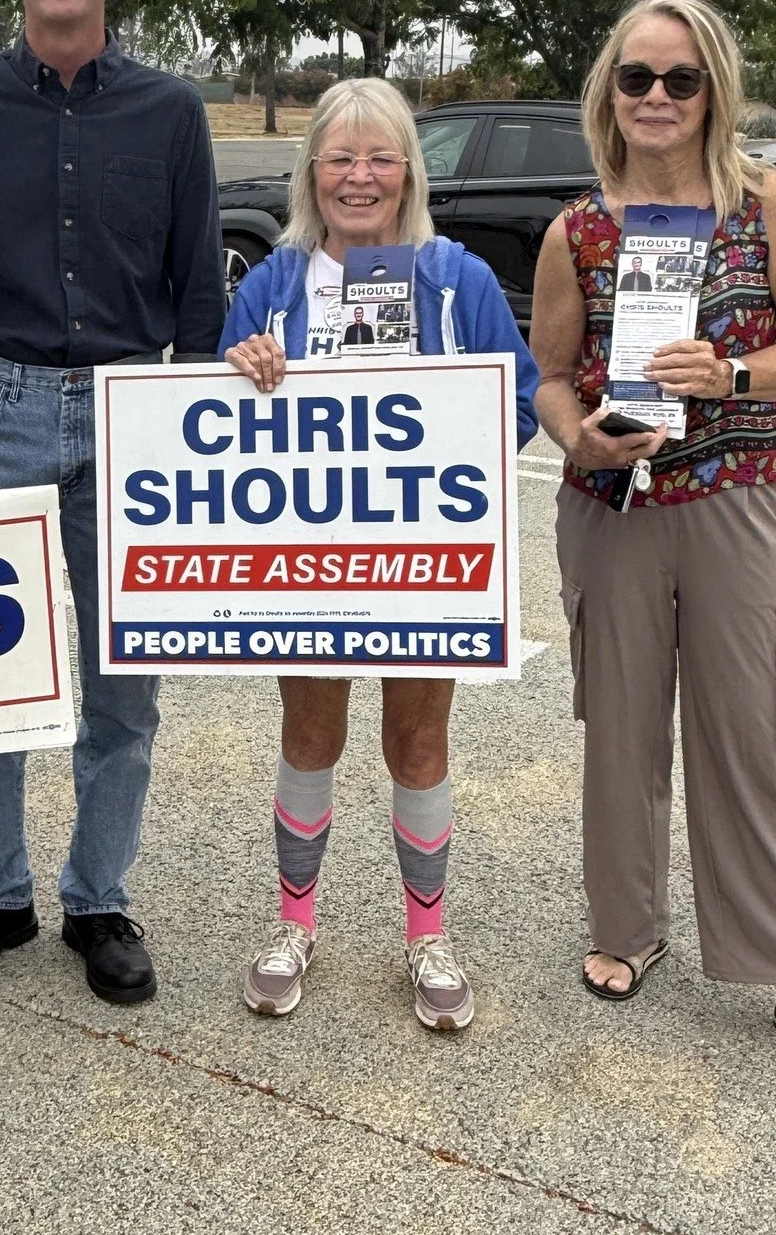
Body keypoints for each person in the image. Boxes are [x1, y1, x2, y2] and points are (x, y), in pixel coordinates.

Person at [0, 0, 225, 1005]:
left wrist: (188, 443)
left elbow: (199, 299)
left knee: (121, 684)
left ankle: (99, 899)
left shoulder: (173, 112)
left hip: (138, 415)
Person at [221, 79, 538, 1030]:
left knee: (418, 743)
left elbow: (515, 404)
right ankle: (294, 923)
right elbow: (211, 417)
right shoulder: (272, 284)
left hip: (420, 562)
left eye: (381, 155)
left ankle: (426, 933)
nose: (360, 176)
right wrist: (241, 374)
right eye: (341, 156)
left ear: (410, 169)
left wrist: (444, 432)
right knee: (311, 737)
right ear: (311, 168)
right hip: (308, 562)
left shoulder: (456, 278)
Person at [529, 0, 776, 1008]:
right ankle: (626, 930)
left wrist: (736, 379)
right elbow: (547, 374)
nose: (658, 96)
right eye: (637, 77)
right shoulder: (578, 230)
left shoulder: (761, 209)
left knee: (749, 727)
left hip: (736, 495)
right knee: (621, 728)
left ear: (715, 88)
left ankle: (760, 946)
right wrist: (570, 432)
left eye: (681, 78)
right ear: (610, 92)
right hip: (611, 503)